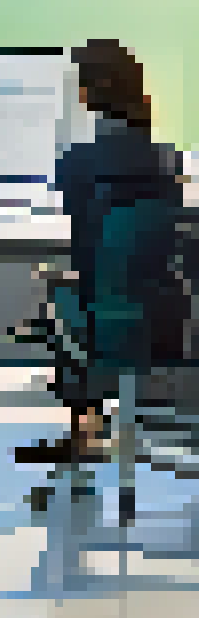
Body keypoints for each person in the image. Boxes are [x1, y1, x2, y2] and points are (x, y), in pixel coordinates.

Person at [16, 39, 186, 464]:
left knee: (64, 294)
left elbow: (88, 249)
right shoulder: (169, 162)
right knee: (97, 292)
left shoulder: (77, 162)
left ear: (88, 95)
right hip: (175, 322)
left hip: (111, 324)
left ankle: (84, 434)